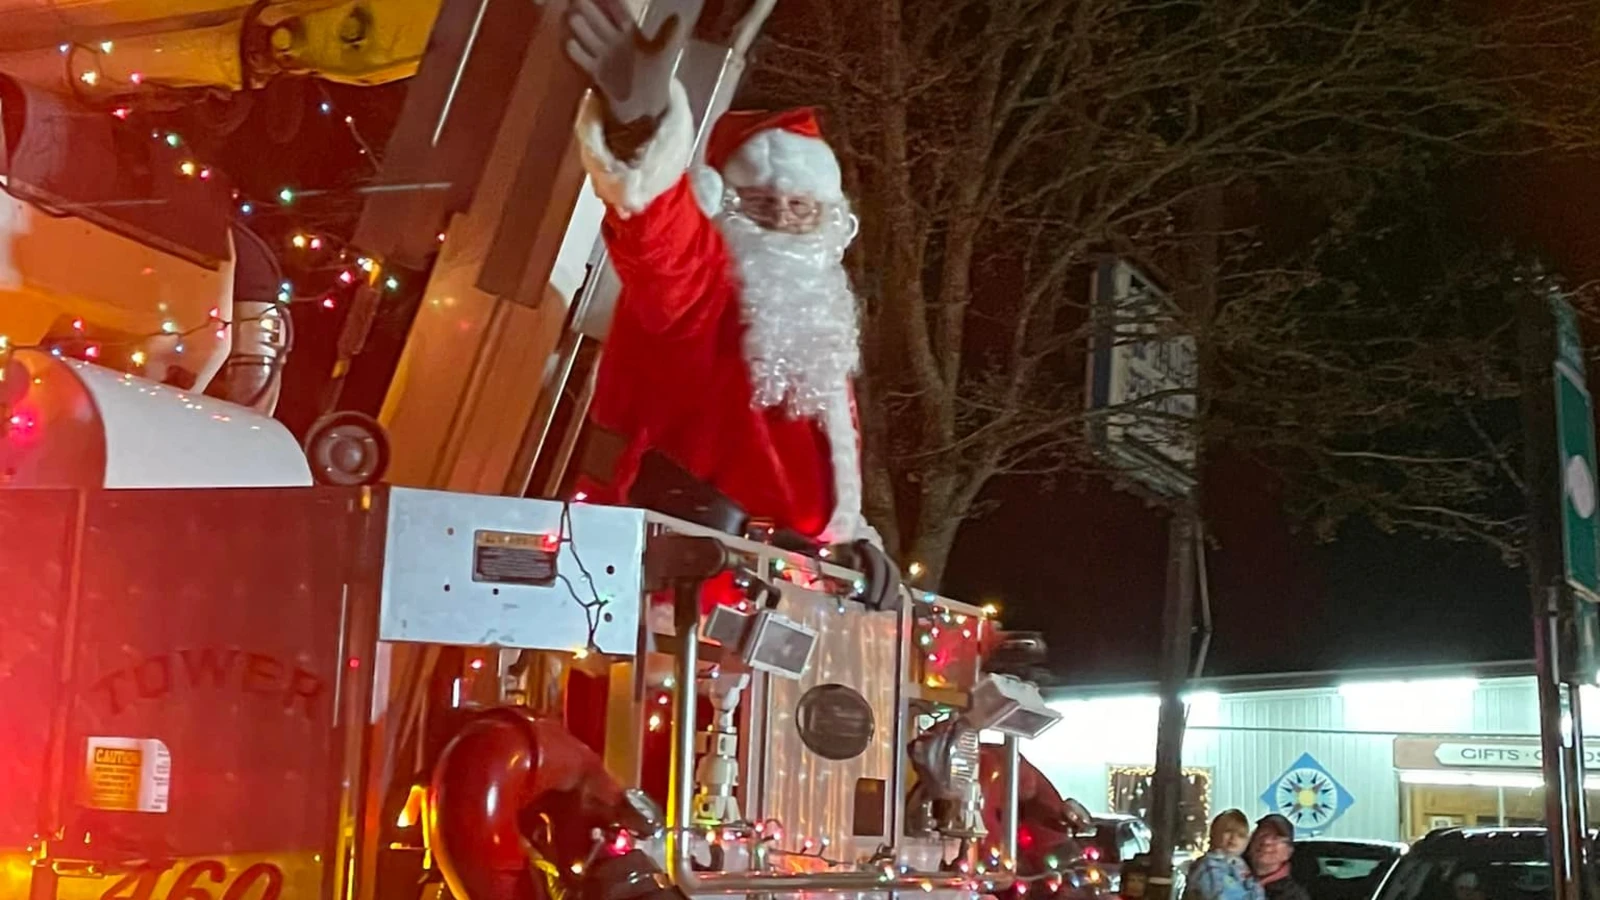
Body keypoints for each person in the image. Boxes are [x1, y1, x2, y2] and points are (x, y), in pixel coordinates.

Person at [562, 0, 878, 546]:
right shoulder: (707, 289)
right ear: (726, 204)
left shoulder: (817, 322)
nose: (782, 219)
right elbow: (666, 243)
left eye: (800, 208)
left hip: (775, 579)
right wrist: (640, 129)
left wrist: (858, 548)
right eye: (761, 204)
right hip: (669, 563)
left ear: (828, 222)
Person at [1183, 810, 1264, 900]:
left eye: (1241, 835)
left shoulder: (1241, 866)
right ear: (1214, 833)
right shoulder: (1208, 865)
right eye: (1228, 831)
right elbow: (1219, 895)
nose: (1234, 838)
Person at [1246, 814, 1310, 900]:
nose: (1266, 841)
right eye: (1262, 834)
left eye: (1276, 838)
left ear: (1288, 852)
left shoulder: (1293, 896)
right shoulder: (1231, 870)